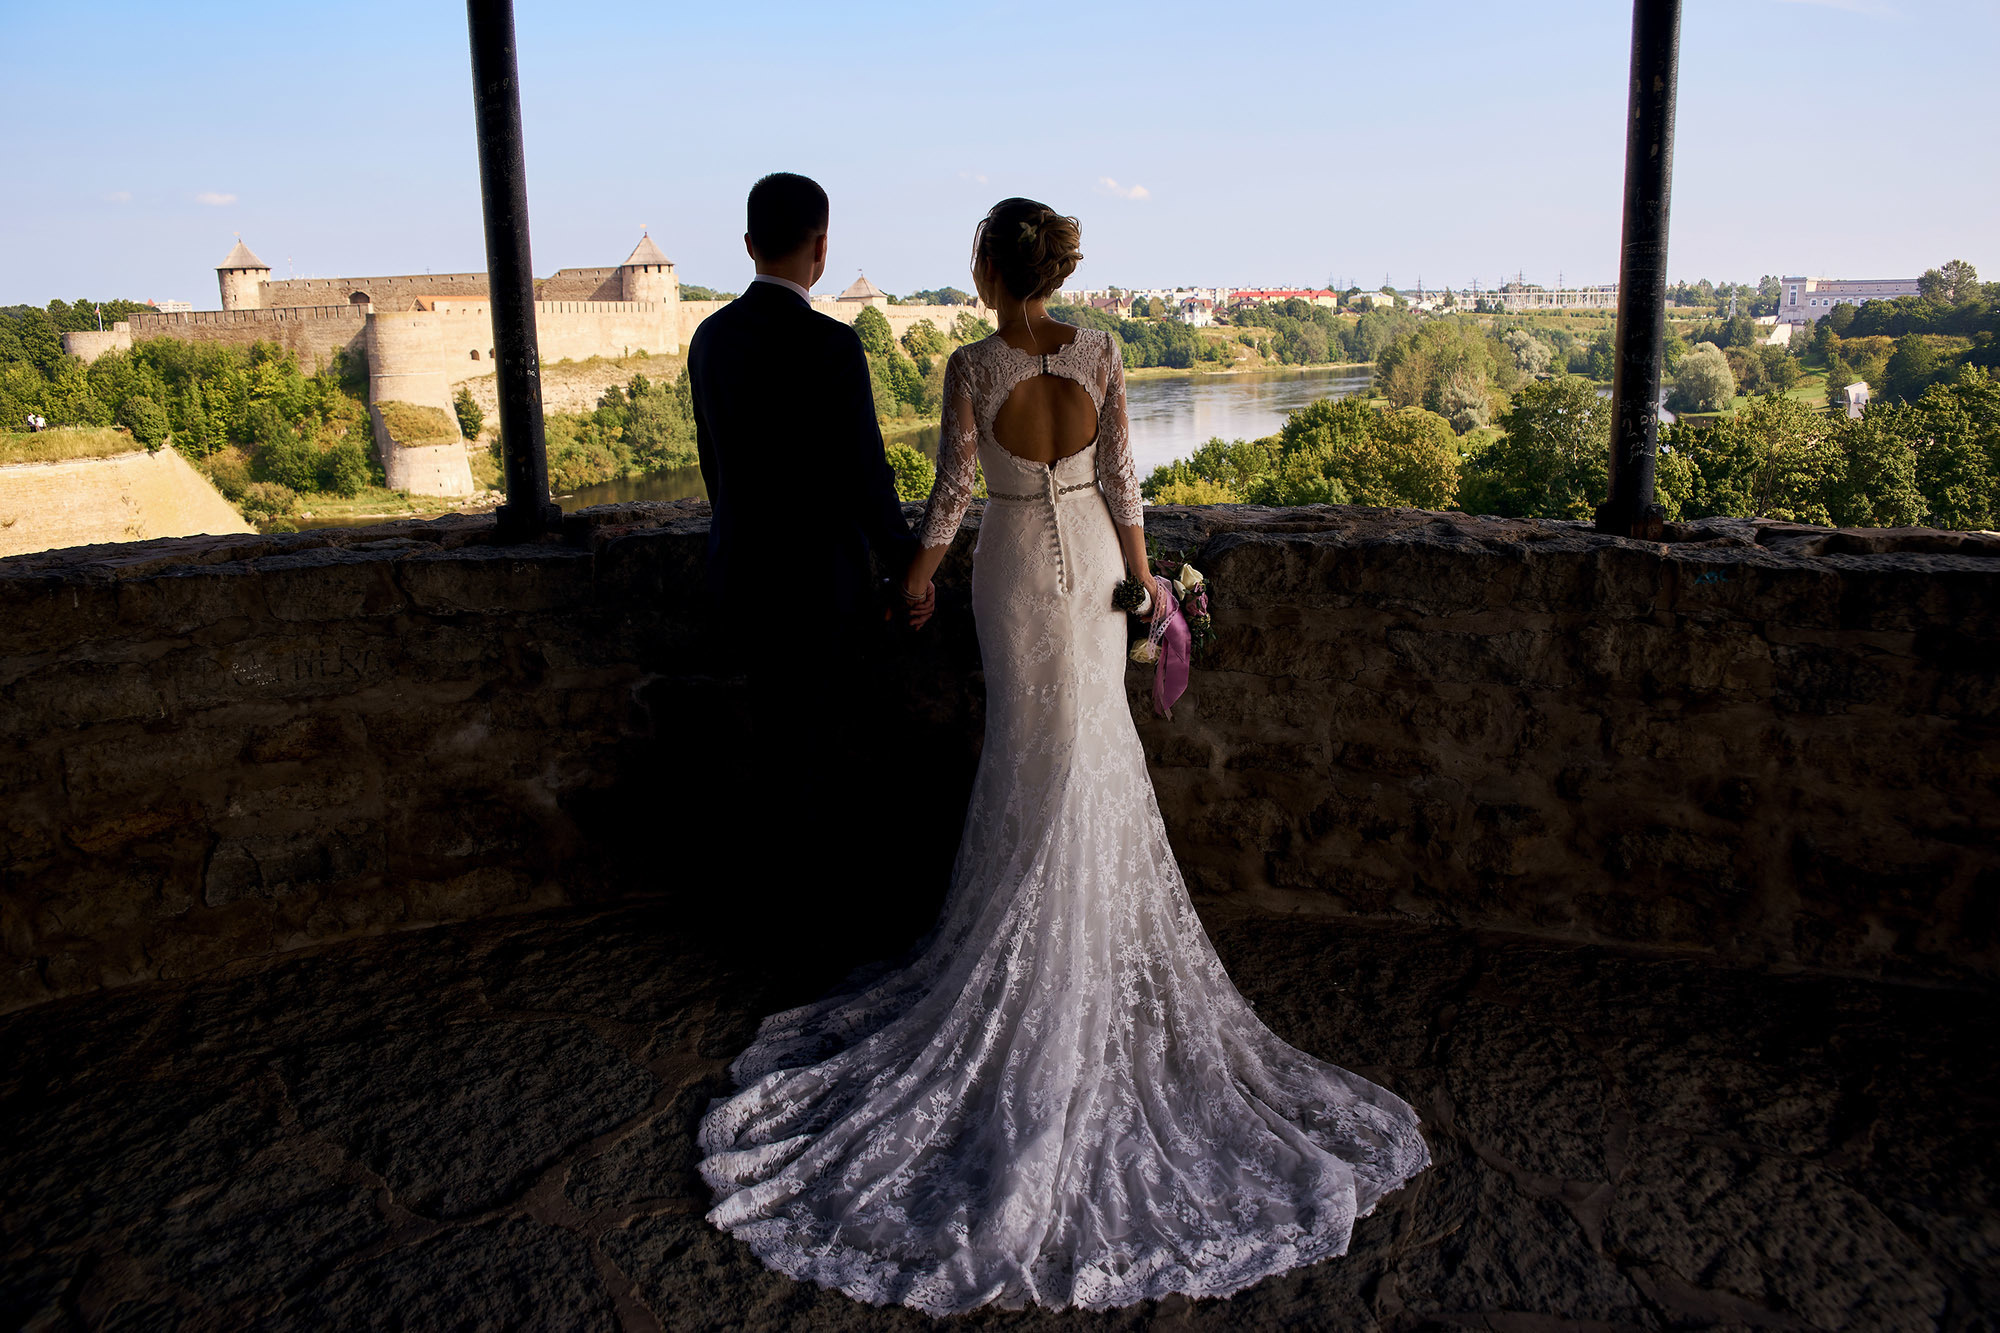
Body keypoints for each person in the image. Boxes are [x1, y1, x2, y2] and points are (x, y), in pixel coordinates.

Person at [696, 198, 1430, 1314]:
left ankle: (1027, 938)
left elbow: (950, 490)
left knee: (1030, 751)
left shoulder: (967, 364)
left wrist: (916, 576)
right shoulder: (1103, 351)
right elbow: (1124, 482)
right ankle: (1085, 936)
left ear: (991, 268)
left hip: (1007, 578)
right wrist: (1140, 584)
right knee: (1091, 745)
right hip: (1089, 566)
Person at [686, 172, 928, 952]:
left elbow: (715, 471)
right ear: (823, 250)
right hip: (823, 583)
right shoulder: (832, 344)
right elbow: (867, 476)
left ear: (750, 245)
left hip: (743, 576)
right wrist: (906, 565)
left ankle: (775, 916)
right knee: (826, 745)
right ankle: (820, 924)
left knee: (774, 739)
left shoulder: (710, 339)